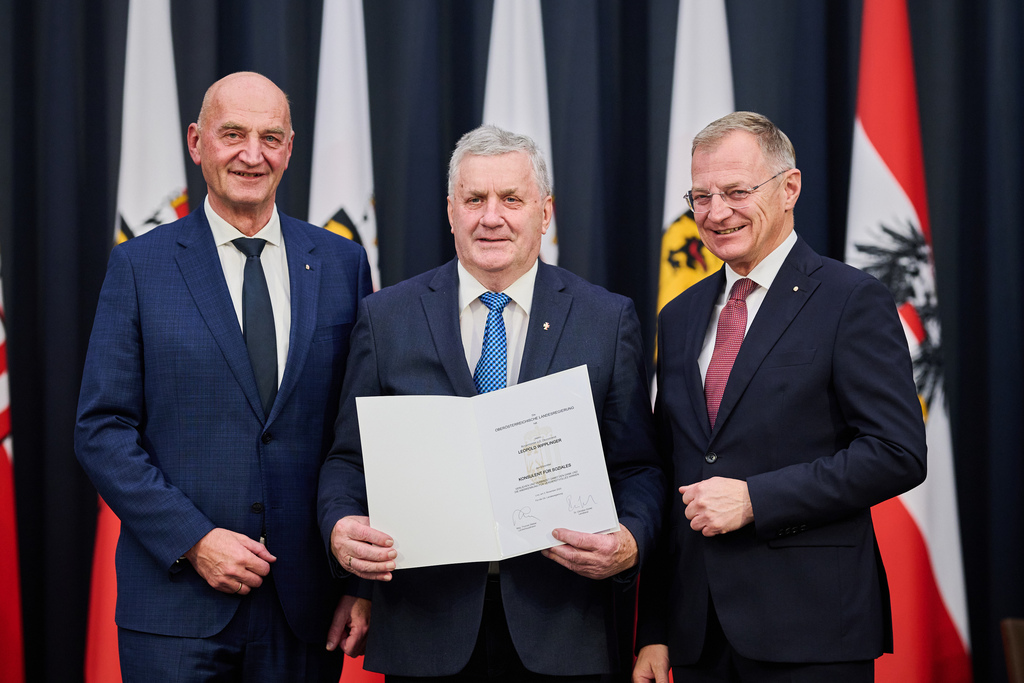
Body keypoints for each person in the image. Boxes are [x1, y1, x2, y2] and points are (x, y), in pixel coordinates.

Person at [317, 124, 665, 681]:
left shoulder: (605, 319)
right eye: (474, 199)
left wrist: (629, 541)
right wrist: (339, 525)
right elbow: (347, 459)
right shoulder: (386, 318)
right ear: (450, 211)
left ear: (545, 213)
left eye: (512, 199)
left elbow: (638, 468)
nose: (491, 217)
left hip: (565, 628)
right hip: (424, 627)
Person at [75, 72, 373, 681]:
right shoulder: (139, 265)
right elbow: (102, 430)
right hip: (176, 606)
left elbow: (361, 430)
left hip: (305, 609)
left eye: (270, 137)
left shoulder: (342, 263)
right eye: (232, 134)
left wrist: (359, 584)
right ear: (196, 141)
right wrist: (194, 539)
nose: (251, 154)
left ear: (289, 147)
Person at [633, 111, 928, 682]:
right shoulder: (680, 315)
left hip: (812, 629)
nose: (716, 212)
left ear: (789, 188)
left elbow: (897, 453)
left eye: (736, 191)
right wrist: (655, 628)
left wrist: (755, 499)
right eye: (701, 196)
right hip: (699, 636)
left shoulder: (851, 300)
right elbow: (672, 473)